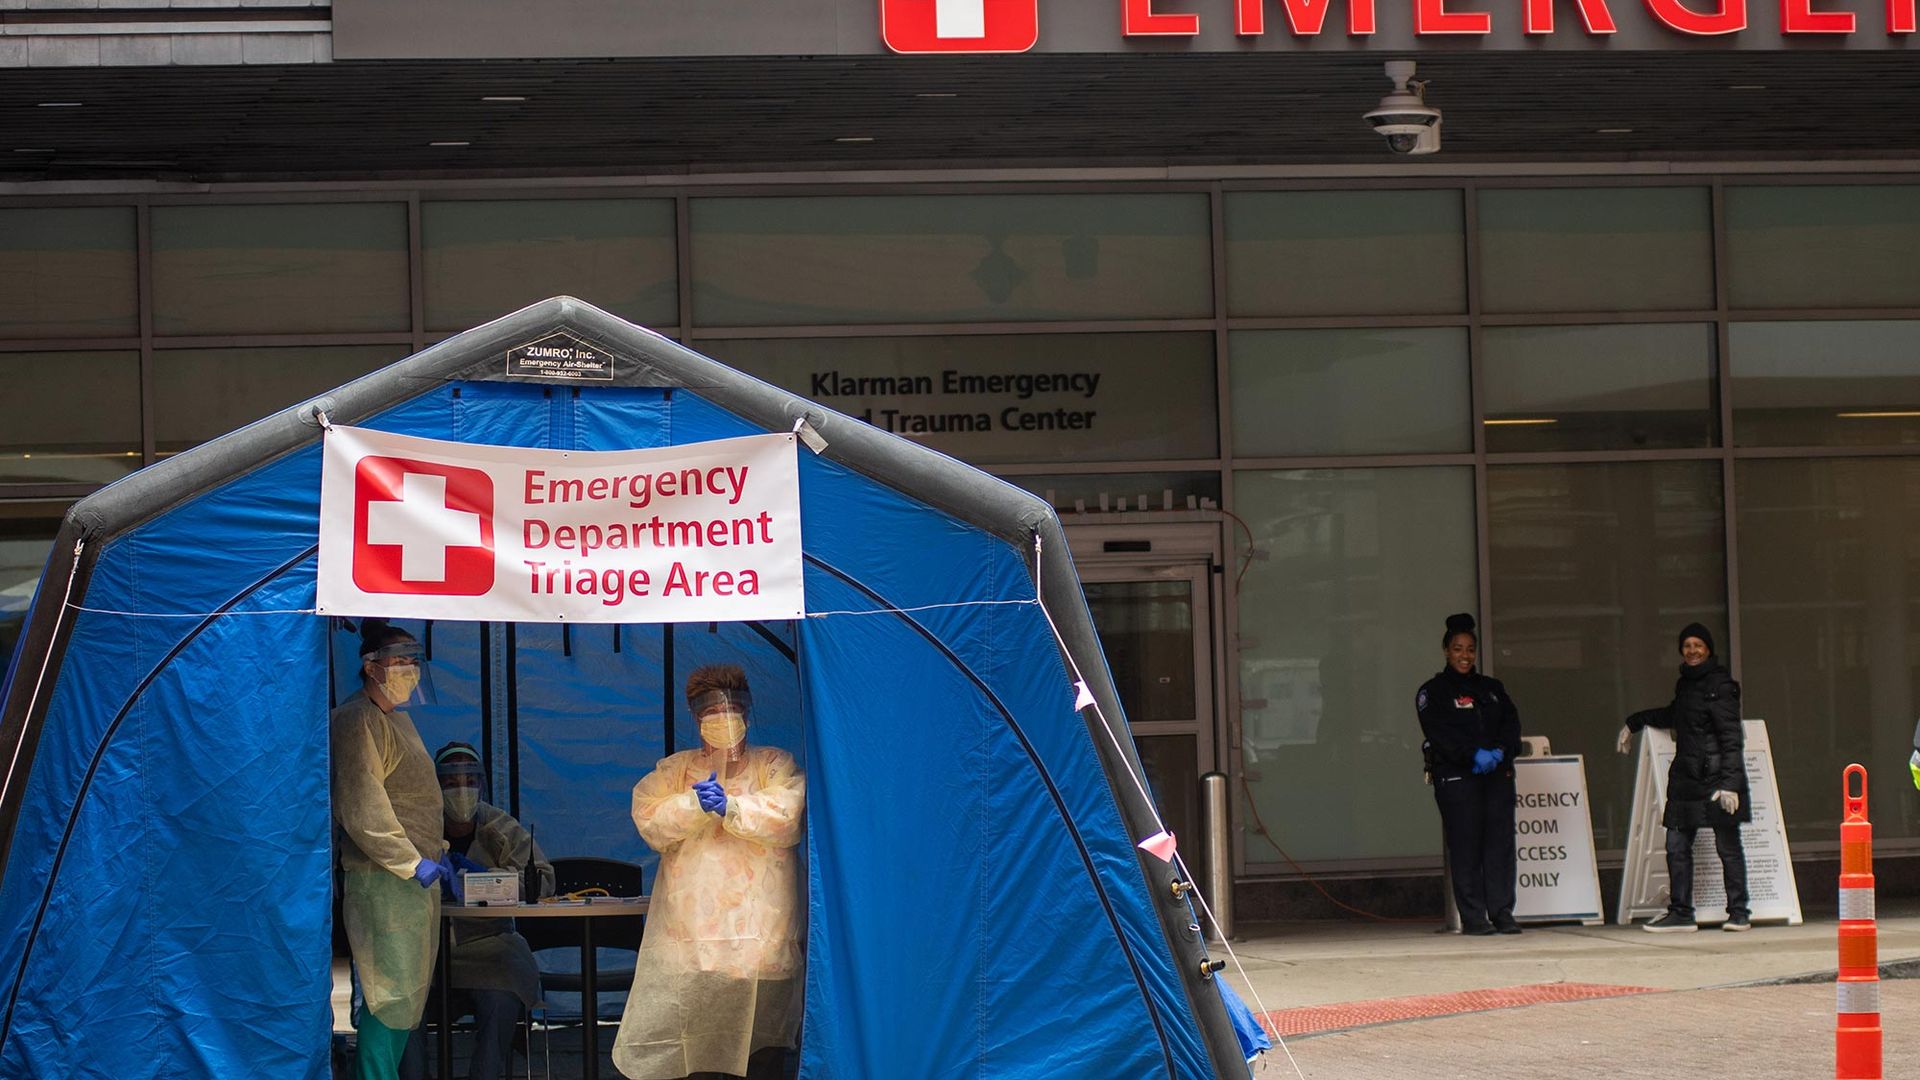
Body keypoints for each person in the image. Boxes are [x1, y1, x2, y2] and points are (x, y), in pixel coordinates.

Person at [614, 664, 806, 1080]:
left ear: (747, 712)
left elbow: (789, 814)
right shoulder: (677, 772)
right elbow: (649, 818)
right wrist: (692, 805)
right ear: (696, 718)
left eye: (733, 709)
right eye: (713, 713)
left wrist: (733, 807)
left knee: (763, 1052)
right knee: (697, 1054)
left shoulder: (773, 764)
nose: (725, 721)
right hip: (693, 947)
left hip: (761, 945)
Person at [332, 619, 453, 1080]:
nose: (410, 671)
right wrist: (408, 860)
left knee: (407, 995)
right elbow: (362, 804)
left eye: (413, 661)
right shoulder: (357, 719)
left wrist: (439, 852)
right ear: (371, 667)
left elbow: (415, 799)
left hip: (412, 883)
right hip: (383, 882)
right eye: (400, 662)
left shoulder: (396, 720)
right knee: (386, 995)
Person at [400, 742, 557, 1080]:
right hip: (426, 952)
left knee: (501, 1001)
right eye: (451, 782)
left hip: (488, 950)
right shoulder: (419, 826)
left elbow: (541, 881)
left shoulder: (500, 827)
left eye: (470, 780)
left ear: (483, 784)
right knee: (403, 1012)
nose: (462, 789)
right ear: (435, 785)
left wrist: (486, 883)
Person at [1618, 622, 1751, 933]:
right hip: (1686, 779)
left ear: (1708, 649)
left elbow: (1731, 737)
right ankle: (1681, 912)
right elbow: (1672, 715)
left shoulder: (1722, 685)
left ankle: (1739, 912)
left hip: (1717, 779)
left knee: (1727, 846)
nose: (1692, 651)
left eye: (1697, 645)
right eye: (1687, 645)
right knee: (1676, 844)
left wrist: (1730, 785)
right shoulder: (1686, 684)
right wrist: (1633, 723)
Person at [1416, 613, 1523, 936]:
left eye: (1470, 649)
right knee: (1466, 846)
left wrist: (1501, 753)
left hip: (1496, 777)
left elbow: (1512, 726)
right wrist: (1471, 755)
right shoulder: (1432, 692)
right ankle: (1475, 917)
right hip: (1458, 779)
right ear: (1446, 651)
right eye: (1458, 649)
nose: (1465, 655)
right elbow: (1439, 733)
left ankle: (1502, 912)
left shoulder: (1491, 689)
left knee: (1499, 846)